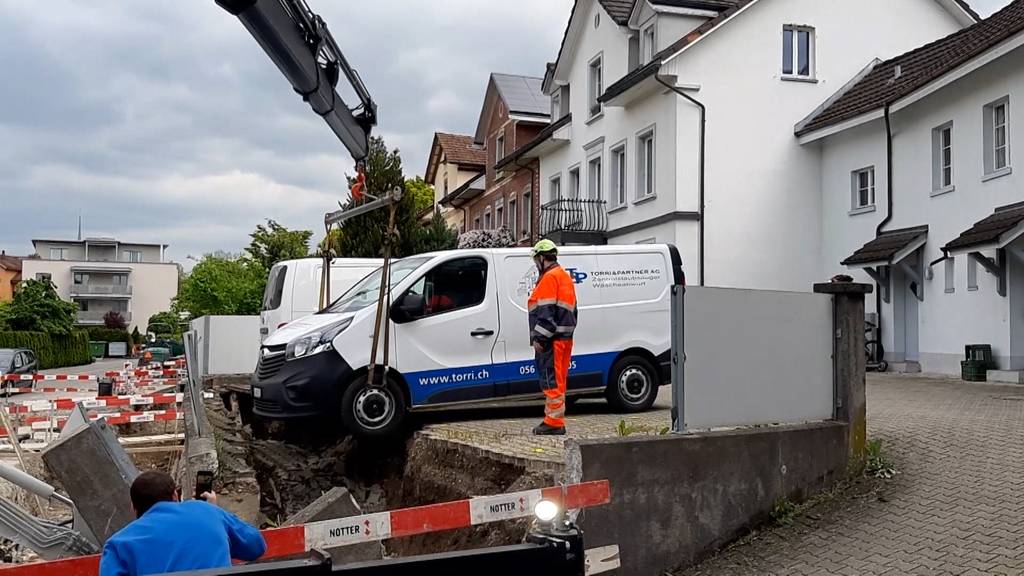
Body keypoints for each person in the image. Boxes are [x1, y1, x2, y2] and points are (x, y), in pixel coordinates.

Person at [99, 471, 266, 576]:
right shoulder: (207, 512)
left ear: (133, 508)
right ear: (175, 496)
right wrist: (216, 518)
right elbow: (256, 547)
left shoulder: (118, 544)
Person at [527, 239, 578, 436]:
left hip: (552, 340)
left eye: (536, 260)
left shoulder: (549, 278)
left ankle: (554, 422)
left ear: (541, 258)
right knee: (560, 380)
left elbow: (546, 314)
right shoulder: (564, 276)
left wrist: (540, 339)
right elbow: (573, 311)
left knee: (551, 381)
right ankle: (556, 419)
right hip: (565, 338)